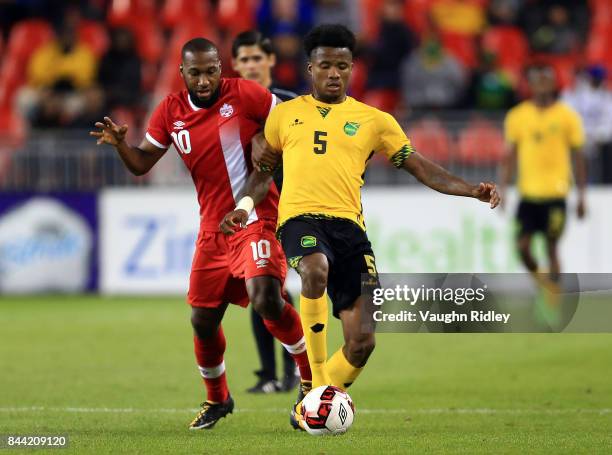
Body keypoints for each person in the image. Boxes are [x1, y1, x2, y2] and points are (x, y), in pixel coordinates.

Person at [220, 24, 500, 430]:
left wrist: (471, 189)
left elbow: (419, 166)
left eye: (343, 66)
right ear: (309, 68)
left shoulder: (374, 120)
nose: (334, 73)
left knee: (362, 342)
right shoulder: (284, 115)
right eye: (326, 65)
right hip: (299, 219)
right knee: (314, 269)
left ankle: (312, 407)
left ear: (352, 69)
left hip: (350, 230)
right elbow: (262, 174)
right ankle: (312, 385)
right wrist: (244, 207)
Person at [90, 37, 311, 430]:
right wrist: (122, 146)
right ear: (182, 73)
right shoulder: (170, 112)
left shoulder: (245, 94)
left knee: (266, 297)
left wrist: (266, 138)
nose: (205, 79)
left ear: (220, 69)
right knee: (202, 321)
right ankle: (218, 399)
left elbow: (291, 123)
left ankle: (310, 381)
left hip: (256, 216)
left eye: (212, 70)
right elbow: (142, 164)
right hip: (212, 229)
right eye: (196, 72)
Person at [231, 30, 300, 394]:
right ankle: (270, 373)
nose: (251, 65)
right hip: (249, 210)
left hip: (289, 207)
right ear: (234, 65)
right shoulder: (227, 111)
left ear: (271, 61)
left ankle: (292, 371)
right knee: (259, 290)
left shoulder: (292, 106)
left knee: (274, 289)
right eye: (244, 59)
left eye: (258, 57)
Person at [501, 64, 586, 296]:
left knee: (552, 248)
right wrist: (504, 191)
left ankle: (554, 294)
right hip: (528, 195)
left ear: (553, 83)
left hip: (556, 195)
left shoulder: (568, 116)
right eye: (536, 80)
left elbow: (578, 157)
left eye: (545, 80)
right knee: (522, 247)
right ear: (530, 85)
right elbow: (509, 157)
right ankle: (544, 283)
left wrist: (581, 197)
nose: (541, 85)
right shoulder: (517, 116)